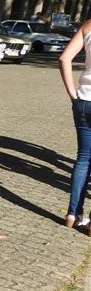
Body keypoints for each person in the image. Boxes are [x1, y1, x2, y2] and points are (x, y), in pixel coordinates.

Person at [58, 18, 91, 234]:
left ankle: (73, 214)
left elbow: (64, 58)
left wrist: (73, 94)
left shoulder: (88, 25)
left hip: (84, 101)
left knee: (83, 158)